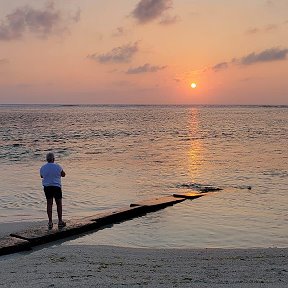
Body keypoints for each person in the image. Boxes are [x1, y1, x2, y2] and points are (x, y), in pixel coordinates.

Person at [40, 152, 66, 229]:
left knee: (49, 204)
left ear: (46, 159)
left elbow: (41, 176)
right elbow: (63, 174)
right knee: (59, 204)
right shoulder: (58, 166)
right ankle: (60, 221)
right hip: (56, 186)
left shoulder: (43, 167)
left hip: (47, 187)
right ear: (53, 159)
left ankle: (50, 222)